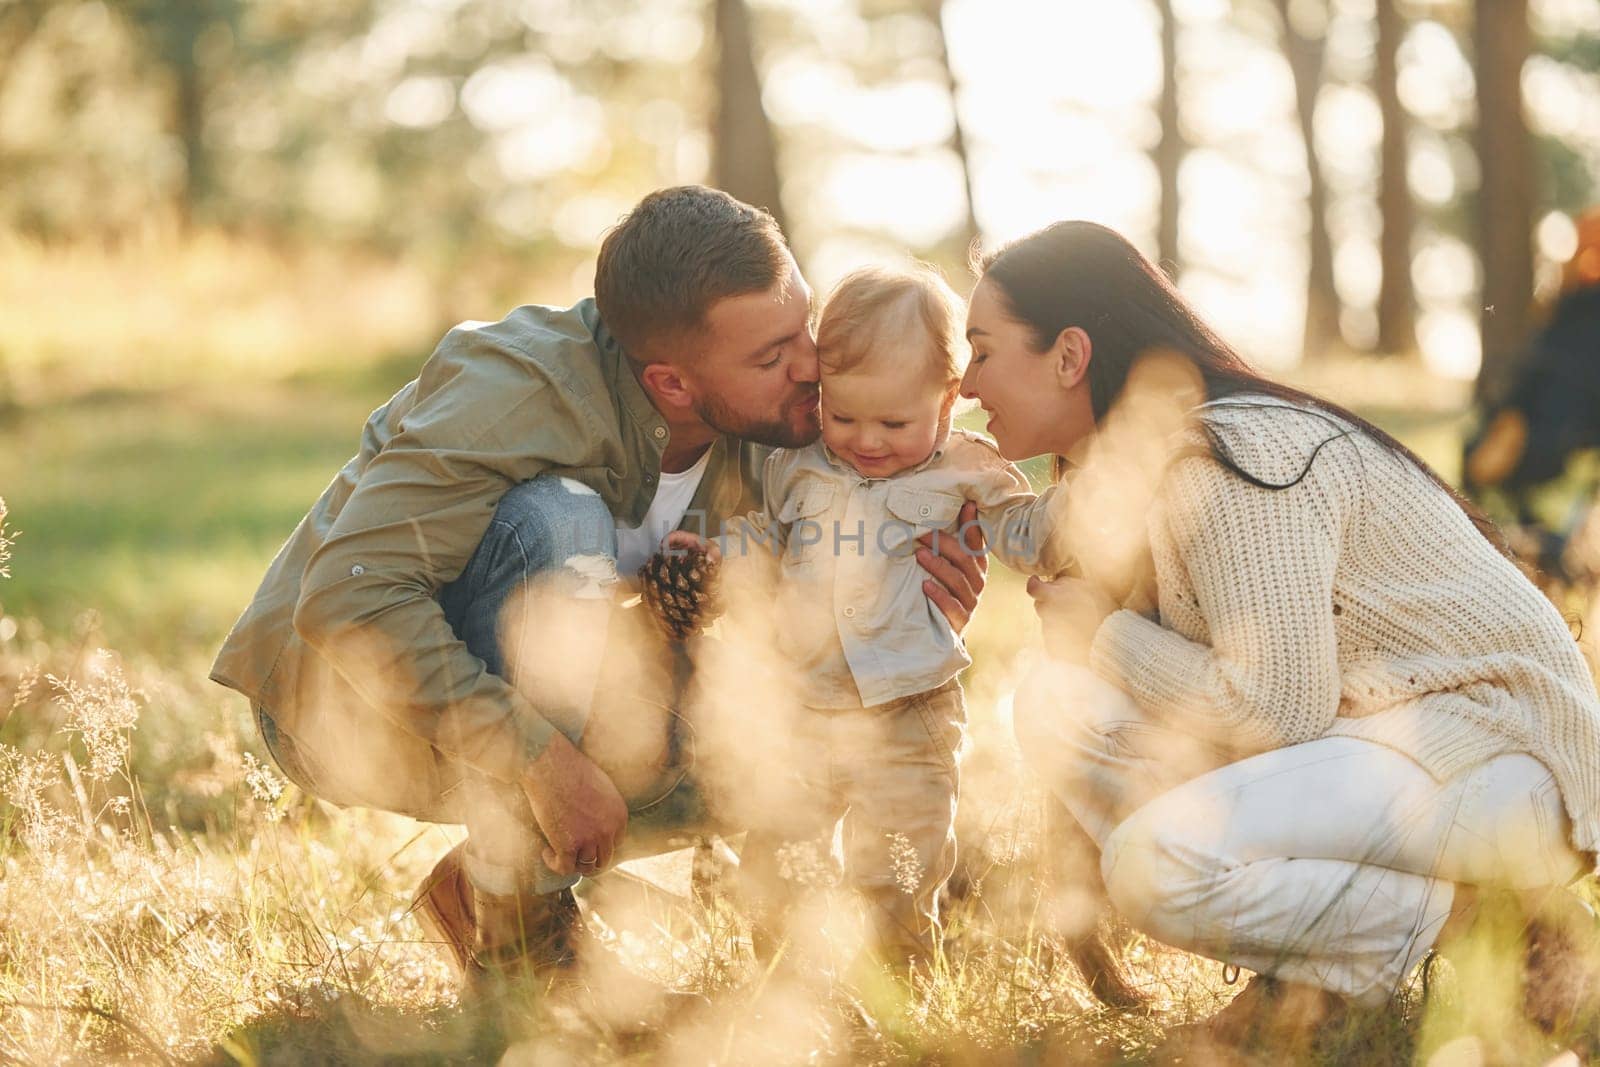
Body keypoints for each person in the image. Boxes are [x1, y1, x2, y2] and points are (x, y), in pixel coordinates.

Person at [208, 186, 988, 994]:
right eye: (770, 356)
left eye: (805, 329)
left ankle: (482, 885)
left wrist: (908, 598)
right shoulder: (517, 387)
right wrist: (543, 762)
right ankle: (520, 947)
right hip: (344, 711)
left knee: (788, 745)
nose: (809, 369)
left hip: (550, 696)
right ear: (672, 383)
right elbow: (348, 601)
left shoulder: (791, 432)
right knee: (560, 523)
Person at [959, 219, 1600, 1050]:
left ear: (1070, 355)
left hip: (1497, 755)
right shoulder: (1134, 465)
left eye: (980, 351)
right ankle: (1315, 977)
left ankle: (1501, 937)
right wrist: (915, 469)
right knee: (1055, 699)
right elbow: (1034, 529)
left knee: (1156, 865)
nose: (969, 385)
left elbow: (1275, 707)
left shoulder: (1229, 459)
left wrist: (1103, 635)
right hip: (1388, 742)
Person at [693, 264, 1074, 968]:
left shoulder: (967, 469)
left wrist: (1091, 494)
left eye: (895, 421)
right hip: (805, 703)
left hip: (912, 708)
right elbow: (760, 537)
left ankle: (902, 982)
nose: (867, 440)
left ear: (949, 397)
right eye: (843, 416)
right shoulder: (797, 465)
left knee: (899, 869)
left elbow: (1027, 536)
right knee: (778, 858)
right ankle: (784, 982)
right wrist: (721, 565)